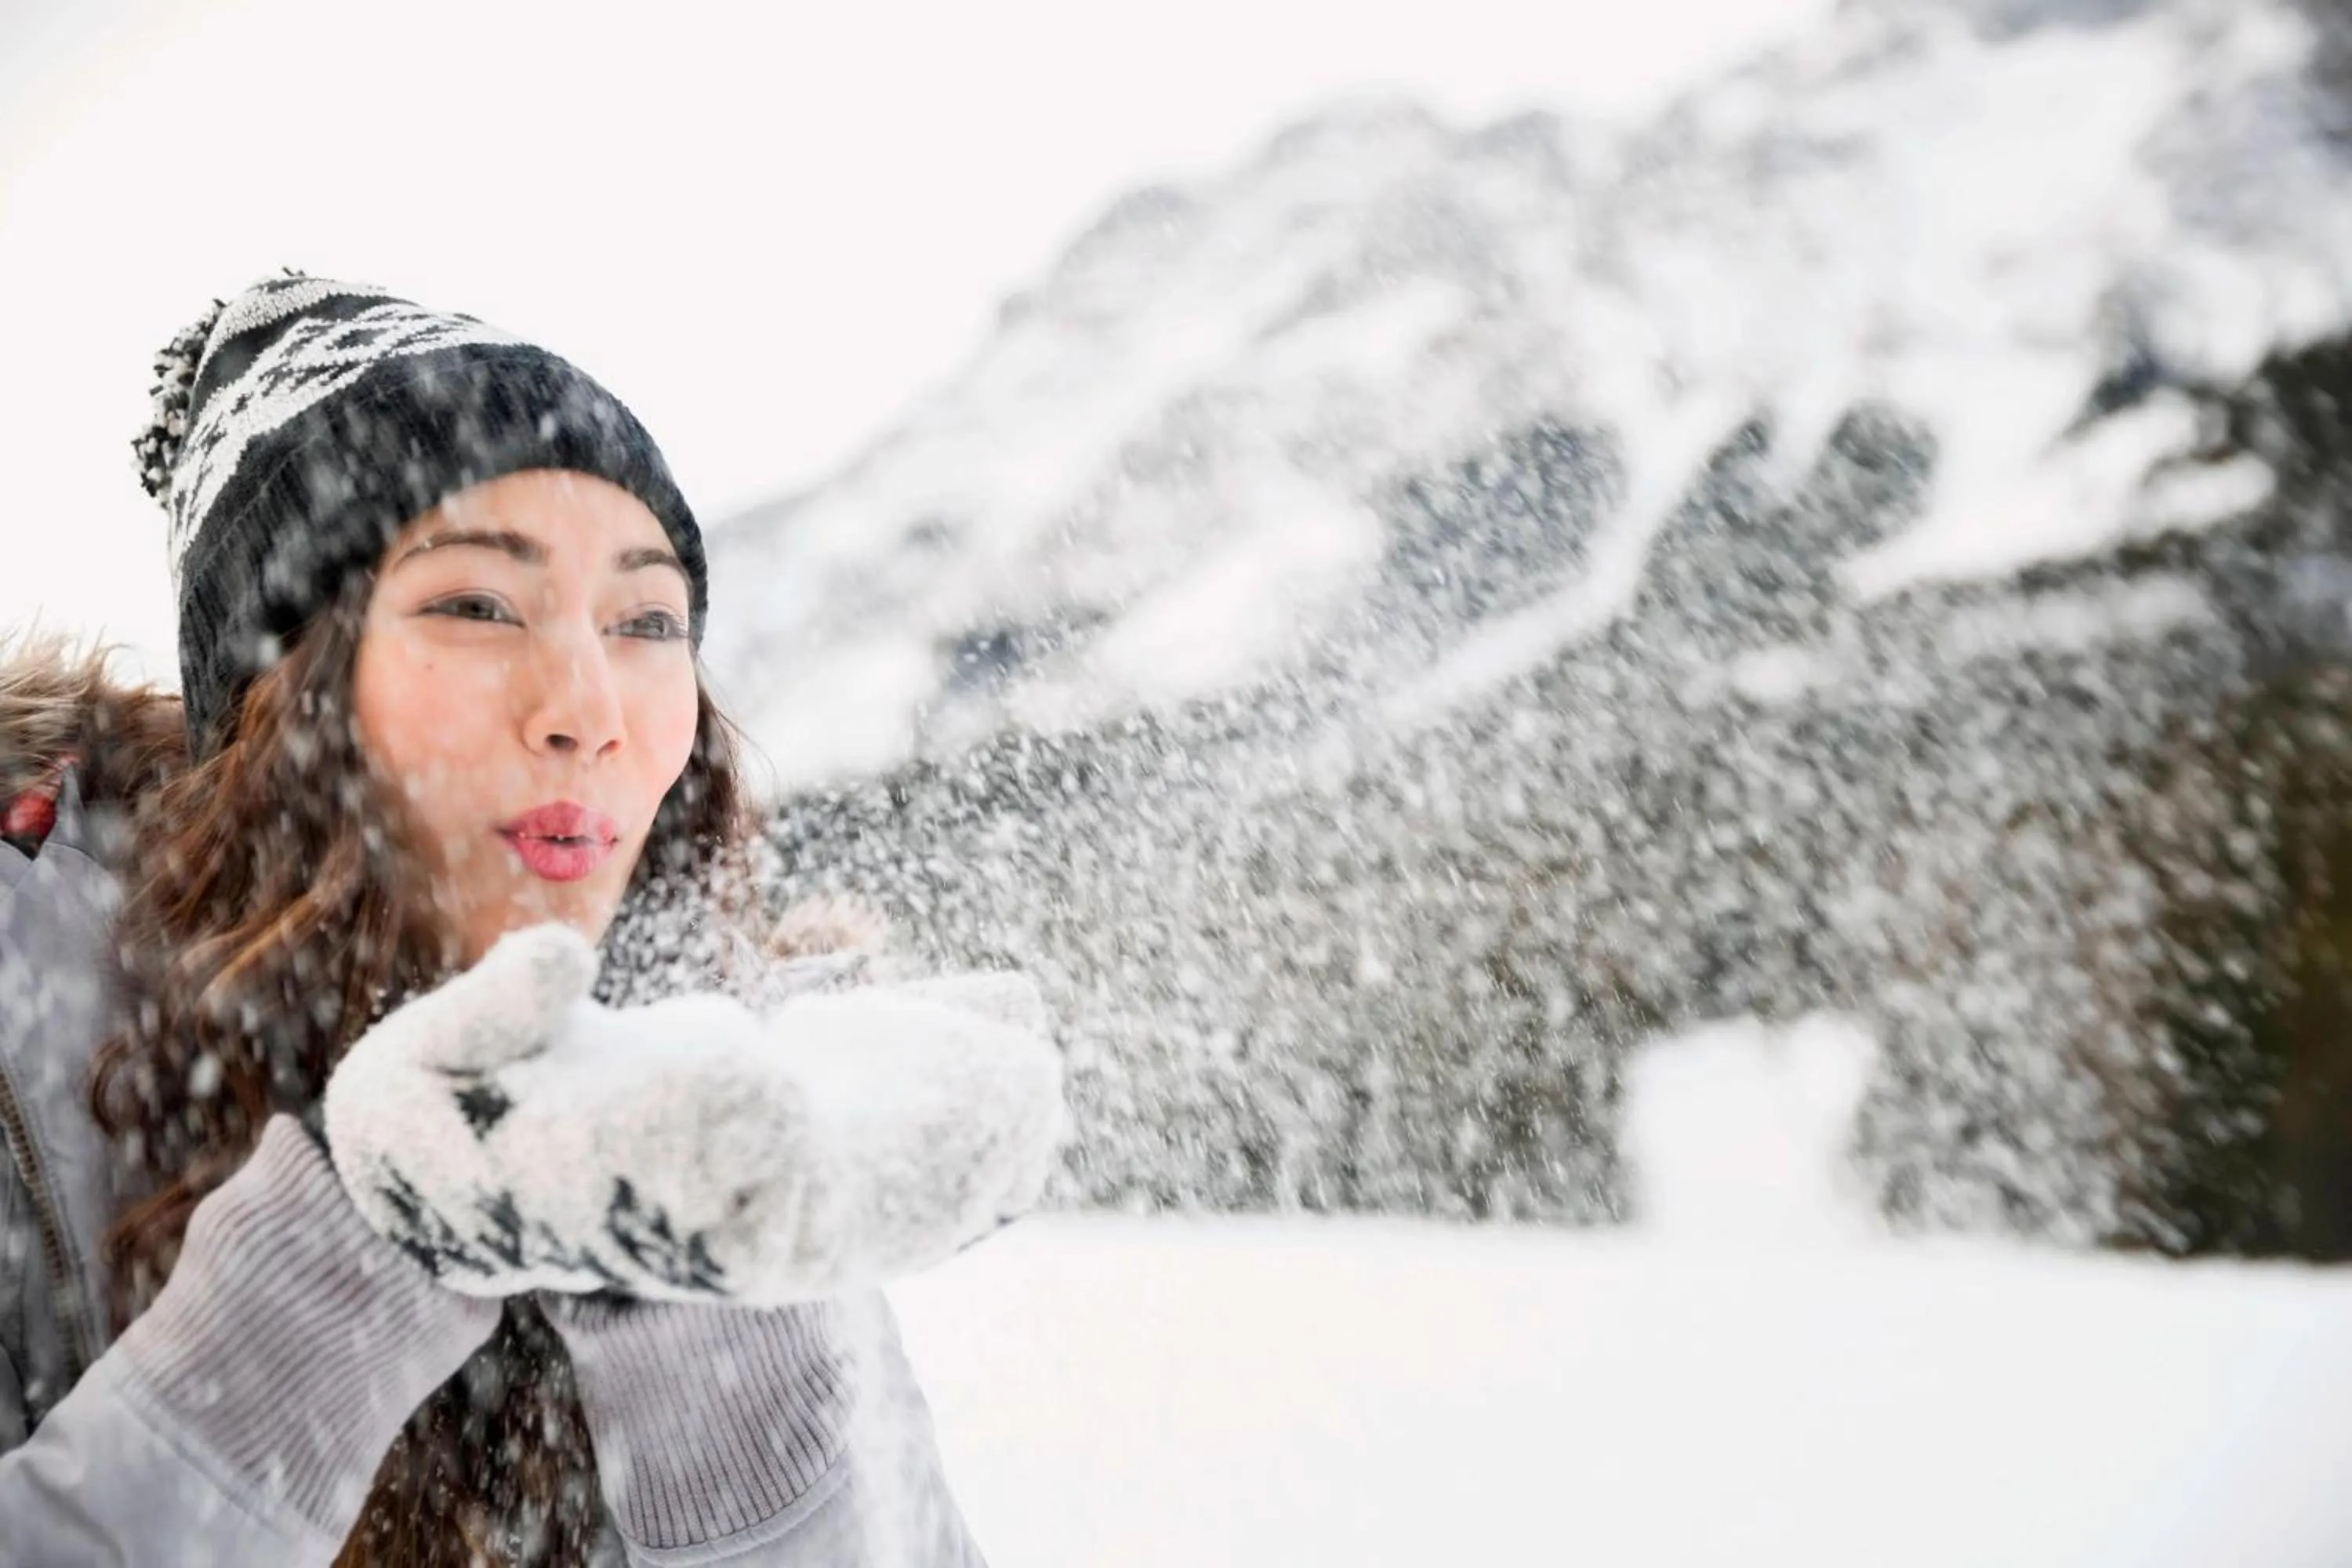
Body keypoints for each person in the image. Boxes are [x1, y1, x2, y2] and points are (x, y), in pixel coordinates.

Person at [0, 275, 1062, 1565]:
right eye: (478, 606)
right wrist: (349, 1251)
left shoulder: (701, 1083)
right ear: (287, 696)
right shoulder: (28, 1038)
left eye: (648, 620)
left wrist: (691, 1292)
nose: (590, 703)